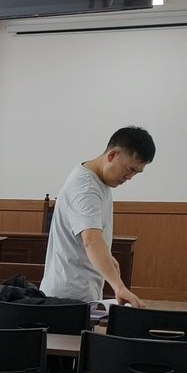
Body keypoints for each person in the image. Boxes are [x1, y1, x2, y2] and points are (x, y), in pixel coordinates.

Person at [40, 127, 152, 307]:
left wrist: (107, 257)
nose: (129, 177)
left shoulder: (99, 181)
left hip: (79, 292)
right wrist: (119, 287)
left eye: (136, 173)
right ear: (112, 155)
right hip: (67, 297)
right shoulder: (86, 188)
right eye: (129, 169)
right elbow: (91, 240)